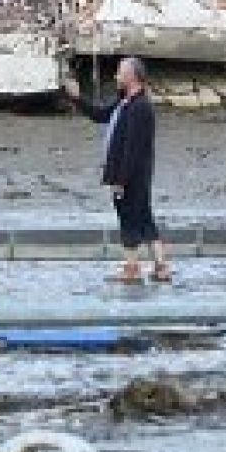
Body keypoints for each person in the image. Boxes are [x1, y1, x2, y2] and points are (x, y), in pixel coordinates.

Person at [65, 57, 171, 284]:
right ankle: (160, 266)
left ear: (132, 76)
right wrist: (76, 98)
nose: (116, 76)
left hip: (133, 174)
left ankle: (132, 268)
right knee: (143, 218)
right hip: (133, 173)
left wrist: (120, 180)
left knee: (129, 219)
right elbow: (100, 114)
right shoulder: (125, 102)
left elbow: (132, 149)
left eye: (120, 72)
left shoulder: (140, 107)